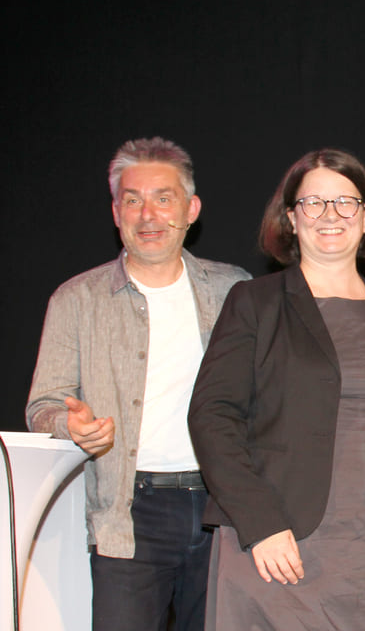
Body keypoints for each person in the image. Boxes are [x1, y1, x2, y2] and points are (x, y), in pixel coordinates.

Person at [187, 149, 365, 630]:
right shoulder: (254, 302)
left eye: (344, 202)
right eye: (313, 203)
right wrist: (260, 525)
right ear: (291, 218)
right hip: (284, 542)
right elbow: (212, 416)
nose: (329, 215)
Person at [26, 137, 251, 631]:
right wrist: (70, 424)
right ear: (115, 211)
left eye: (163, 198)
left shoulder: (235, 289)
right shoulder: (76, 299)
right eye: (132, 199)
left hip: (224, 509)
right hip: (128, 514)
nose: (148, 214)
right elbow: (42, 404)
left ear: (191, 209)